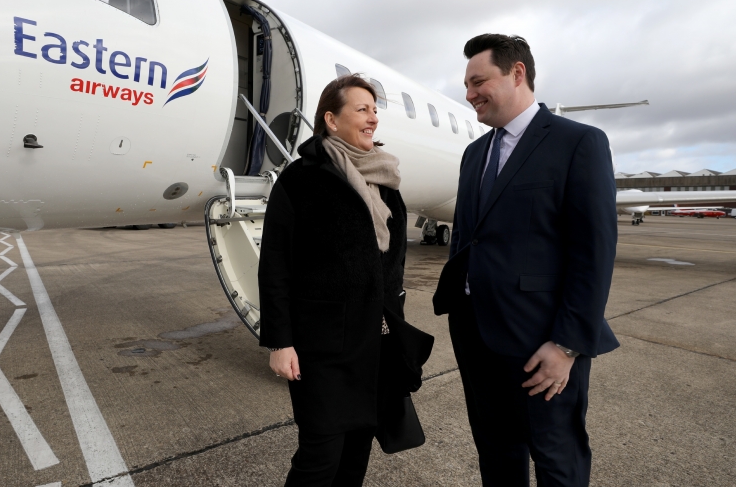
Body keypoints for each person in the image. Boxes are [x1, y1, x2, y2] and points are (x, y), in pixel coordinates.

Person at [433, 34, 620, 487]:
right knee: (496, 453)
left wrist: (568, 344)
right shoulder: (475, 152)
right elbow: (468, 237)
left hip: (541, 343)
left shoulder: (579, 142)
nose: (469, 93)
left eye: (479, 81)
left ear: (517, 74)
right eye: (466, 84)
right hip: (477, 336)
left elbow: (593, 252)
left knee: (557, 458)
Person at [258, 74, 420, 487]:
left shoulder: (386, 183)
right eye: (362, 110)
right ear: (331, 119)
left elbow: (393, 265)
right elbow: (275, 264)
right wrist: (280, 340)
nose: (373, 119)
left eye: (374, 111)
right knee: (320, 454)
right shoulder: (301, 180)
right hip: (321, 346)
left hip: (374, 342)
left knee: (357, 453)